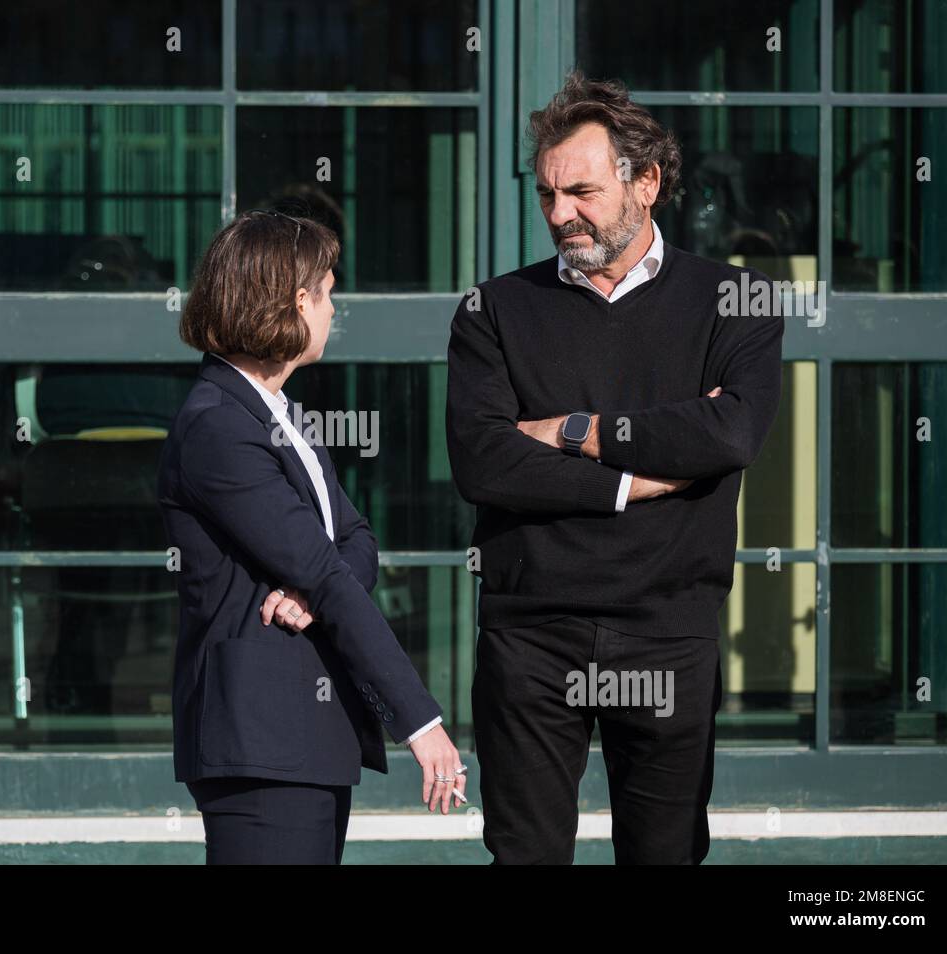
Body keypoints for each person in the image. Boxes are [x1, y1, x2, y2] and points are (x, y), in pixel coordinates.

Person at [446, 71, 784, 864]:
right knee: (525, 855)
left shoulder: (737, 300)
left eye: (583, 192)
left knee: (663, 854)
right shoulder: (492, 310)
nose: (560, 214)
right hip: (530, 634)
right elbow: (484, 460)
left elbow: (731, 433)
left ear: (648, 182)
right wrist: (635, 478)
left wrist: (574, 431)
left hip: (670, 627)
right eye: (547, 194)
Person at [159, 209, 466, 865]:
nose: (334, 309)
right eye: (327, 292)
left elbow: (356, 542)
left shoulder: (278, 411)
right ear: (296, 301)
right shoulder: (219, 424)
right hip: (260, 741)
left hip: (307, 736)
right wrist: (420, 721)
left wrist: (310, 588)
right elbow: (330, 568)